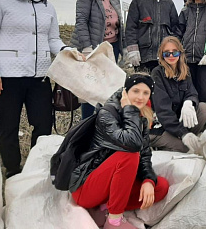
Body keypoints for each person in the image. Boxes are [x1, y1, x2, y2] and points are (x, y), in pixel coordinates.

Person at [0, 0, 68, 178]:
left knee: (43, 124)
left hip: (40, 77)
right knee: (8, 126)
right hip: (7, 77)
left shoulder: (47, 6)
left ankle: (38, 168)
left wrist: (68, 52)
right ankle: (12, 170)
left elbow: (53, 39)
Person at [70, 74, 169, 229]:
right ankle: (114, 221)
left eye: (145, 93)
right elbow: (132, 145)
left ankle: (104, 208)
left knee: (160, 187)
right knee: (128, 155)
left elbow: (144, 155)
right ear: (125, 92)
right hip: (86, 186)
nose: (140, 97)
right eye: (135, 91)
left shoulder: (140, 116)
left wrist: (148, 180)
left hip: (109, 186)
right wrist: (129, 110)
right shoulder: (107, 114)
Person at [70, 0, 126, 118]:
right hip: (92, 50)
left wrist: (123, 48)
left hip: (111, 47)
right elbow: (81, 21)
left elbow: (119, 25)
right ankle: (86, 123)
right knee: (90, 90)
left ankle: (104, 124)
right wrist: (87, 47)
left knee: (107, 89)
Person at [150, 36, 206, 153]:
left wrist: (189, 103)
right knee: (184, 148)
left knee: (203, 108)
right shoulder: (157, 73)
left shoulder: (184, 71)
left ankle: (186, 138)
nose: (171, 56)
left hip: (177, 120)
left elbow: (192, 92)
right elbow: (163, 111)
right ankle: (173, 142)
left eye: (174, 53)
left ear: (180, 53)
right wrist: (183, 133)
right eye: (167, 53)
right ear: (162, 55)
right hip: (161, 124)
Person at [124, 0, 179, 72]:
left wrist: (174, 50)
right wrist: (132, 49)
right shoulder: (138, 1)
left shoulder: (168, 3)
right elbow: (131, 27)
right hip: (143, 56)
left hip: (165, 56)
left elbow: (175, 29)